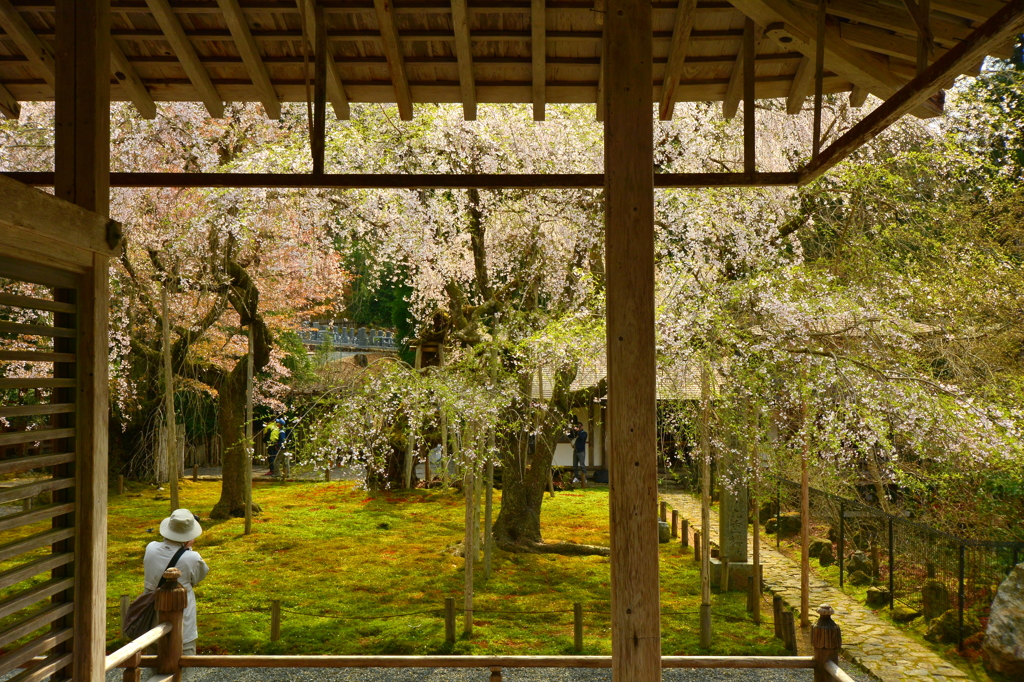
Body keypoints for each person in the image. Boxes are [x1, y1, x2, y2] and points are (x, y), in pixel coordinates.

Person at [144, 509, 209, 671]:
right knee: (184, 671)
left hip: (151, 623)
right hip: (183, 627)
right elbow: (199, 576)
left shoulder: (150, 548)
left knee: (154, 671)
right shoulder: (192, 558)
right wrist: (187, 549)